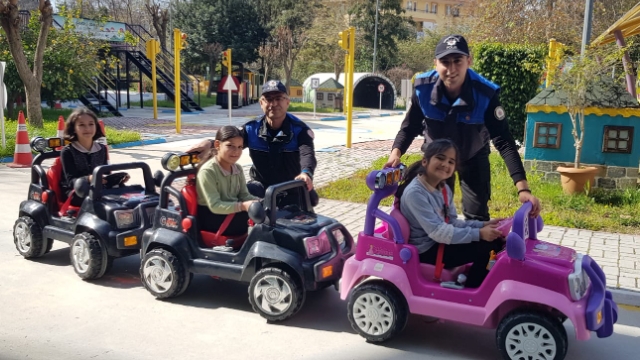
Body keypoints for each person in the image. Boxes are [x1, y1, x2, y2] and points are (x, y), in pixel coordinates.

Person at [385, 34, 540, 221]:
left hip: (473, 154)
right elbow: (409, 127)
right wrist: (395, 154)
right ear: (436, 63)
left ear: (468, 61)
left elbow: (504, 141)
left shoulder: (485, 94)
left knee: (477, 216)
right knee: (434, 214)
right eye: (445, 62)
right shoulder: (423, 90)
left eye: (457, 61)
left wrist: (523, 189)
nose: (451, 69)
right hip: (437, 158)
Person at [189, 80, 318, 206]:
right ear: (261, 103)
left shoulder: (300, 130)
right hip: (261, 187)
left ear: (287, 102)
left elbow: (307, 154)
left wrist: (305, 173)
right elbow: (231, 142)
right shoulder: (251, 129)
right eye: (268, 99)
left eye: (278, 98)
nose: (273, 103)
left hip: (292, 188)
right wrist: (210, 144)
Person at [396, 139, 503, 288]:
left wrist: (484, 224)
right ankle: (474, 291)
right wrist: (479, 234)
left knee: (498, 241)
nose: (445, 164)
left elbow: (452, 222)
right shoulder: (416, 193)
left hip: (438, 241)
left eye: (451, 162)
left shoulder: (443, 188)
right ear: (425, 161)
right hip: (426, 250)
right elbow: (438, 232)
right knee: (488, 247)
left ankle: (478, 280)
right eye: (440, 158)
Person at [196, 125, 259, 237]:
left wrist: (260, 202)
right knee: (260, 220)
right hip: (212, 215)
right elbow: (215, 205)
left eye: (240, 147)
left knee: (265, 210)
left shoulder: (237, 168)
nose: (236, 151)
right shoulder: (208, 171)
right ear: (217, 145)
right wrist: (243, 206)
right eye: (230, 146)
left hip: (231, 211)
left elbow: (244, 195)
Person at [60, 108, 112, 206]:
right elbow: (71, 181)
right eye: (81, 125)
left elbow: (105, 173)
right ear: (74, 128)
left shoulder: (102, 149)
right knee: (96, 200)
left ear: (96, 126)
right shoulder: (67, 152)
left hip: (97, 189)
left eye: (91, 124)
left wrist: (116, 179)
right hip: (75, 192)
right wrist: (88, 179)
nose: (87, 128)